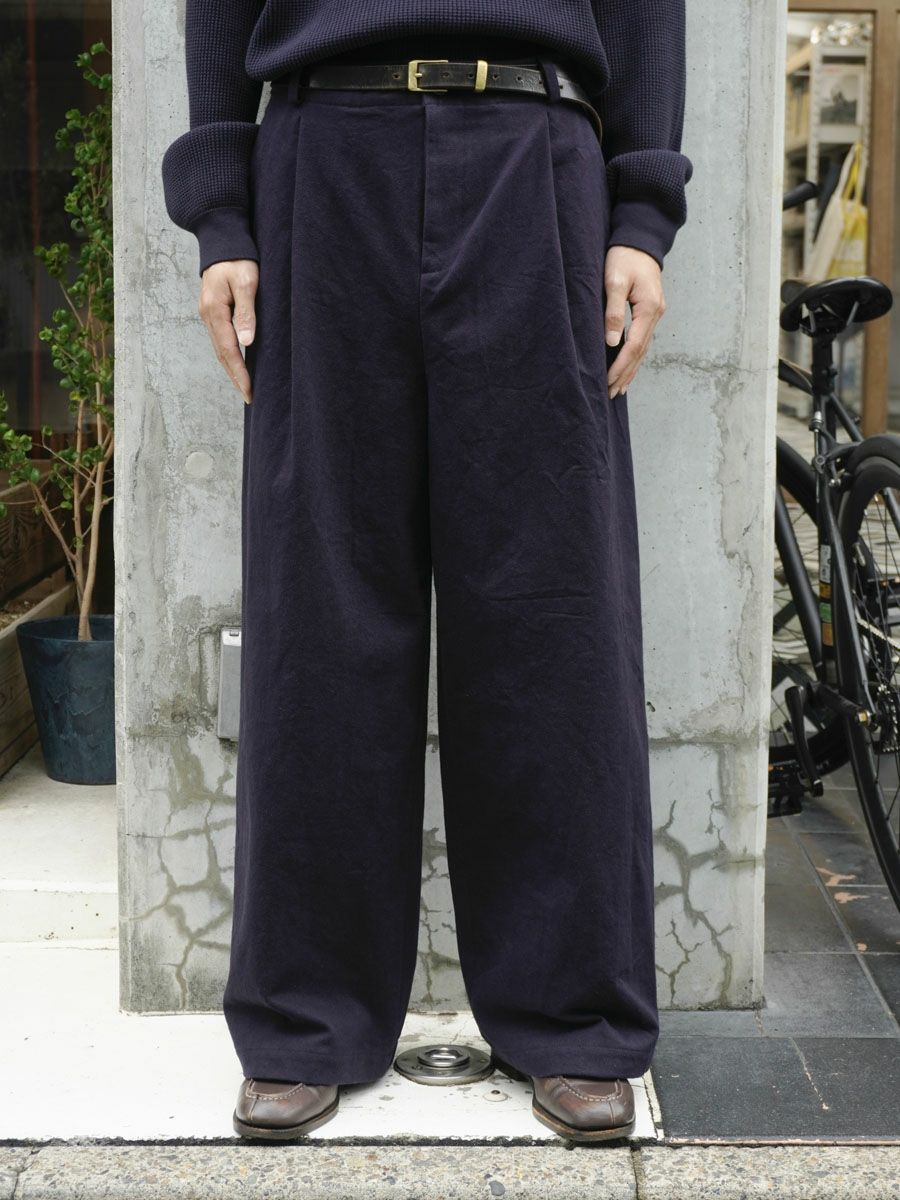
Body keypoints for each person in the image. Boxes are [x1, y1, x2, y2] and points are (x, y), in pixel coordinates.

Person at [161, 0, 693, 1144]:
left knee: (556, 610)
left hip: (536, 152)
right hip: (321, 155)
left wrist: (642, 214)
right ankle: (304, 1017)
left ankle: (573, 1014)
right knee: (321, 604)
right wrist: (223, 214)